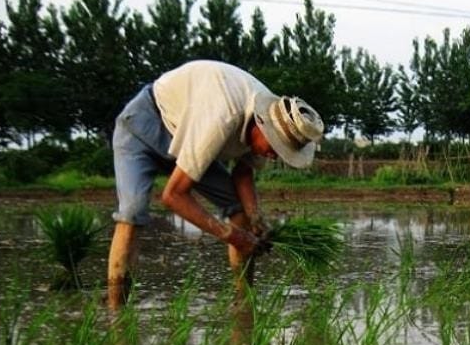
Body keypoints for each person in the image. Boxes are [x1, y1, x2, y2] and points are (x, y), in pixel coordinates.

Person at [106, 59, 324, 308]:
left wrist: (254, 219)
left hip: (189, 136)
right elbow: (173, 196)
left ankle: (244, 301)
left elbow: (243, 173)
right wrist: (232, 236)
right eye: (276, 148)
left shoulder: (271, 118)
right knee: (132, 214)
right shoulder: (222, 117)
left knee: (239, 212)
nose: (275, 155)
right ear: (263, 129)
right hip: (144, 124)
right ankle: (116, 310)